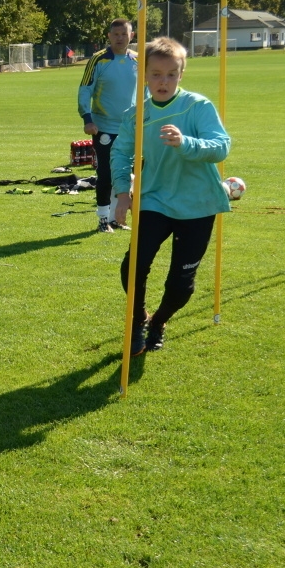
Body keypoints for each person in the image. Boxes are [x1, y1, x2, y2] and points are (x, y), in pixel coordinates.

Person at [111, 36, 230, 356]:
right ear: (145, 75)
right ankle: (137, 320)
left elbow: (221, 147)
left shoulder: (198, 106)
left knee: (180, 284)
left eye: (171, 74)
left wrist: (186, 143)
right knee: (132, 266)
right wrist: (123, 194)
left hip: (198, 204)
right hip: (154, 199)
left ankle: (159, 321)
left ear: (181, 74)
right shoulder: (137, 115)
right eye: (156, 74)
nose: (163, 81)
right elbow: (120, 155)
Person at [77, 19, 138, 234]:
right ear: (109, 36)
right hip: (104, 127)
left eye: (124, 33)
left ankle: (116, 218)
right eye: (116, 34)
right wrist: (87, 118)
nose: (120, 37)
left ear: (132, 35)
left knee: (127, 174)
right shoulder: (98, 60)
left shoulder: (138, 61)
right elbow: (85, 89)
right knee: (106, 173)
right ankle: (103, 220)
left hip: (130, 128)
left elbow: (145, 92)